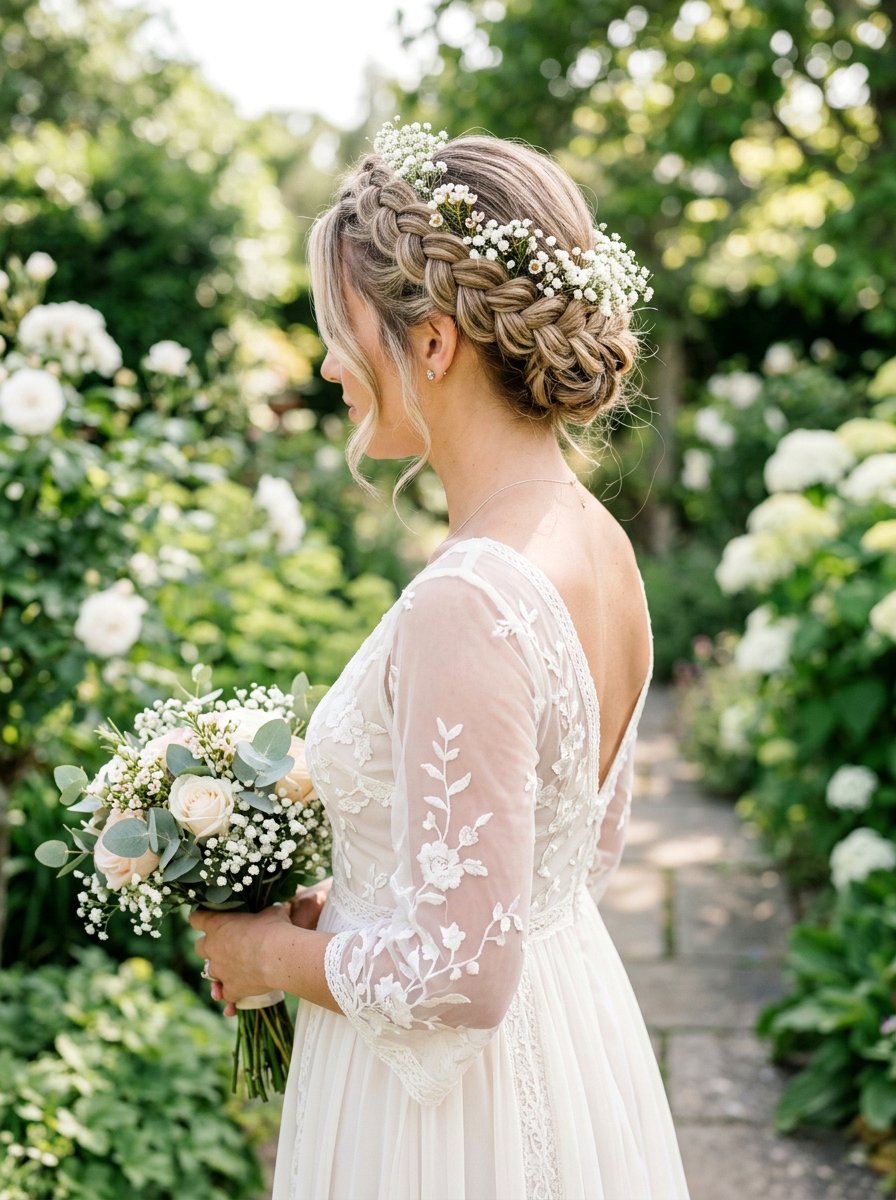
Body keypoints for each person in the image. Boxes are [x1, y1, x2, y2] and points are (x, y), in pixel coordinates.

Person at [190, 119, 691, 1199]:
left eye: (342, 328)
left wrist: (265, 955)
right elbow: (568, 858)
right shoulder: (593, 543)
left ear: (431, 344)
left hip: (447, 1125)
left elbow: (462, 975)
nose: (326, 362)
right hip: (572, 1033)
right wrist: (359, 900)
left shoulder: (466, 599)